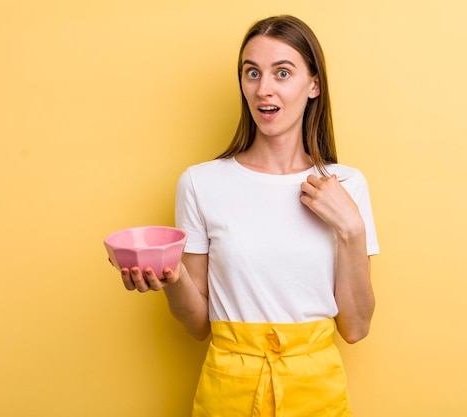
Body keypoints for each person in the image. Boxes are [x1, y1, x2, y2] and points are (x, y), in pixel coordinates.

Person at [120, 14, 379, 417]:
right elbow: (197, 325)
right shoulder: (200, 183)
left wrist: (351, 227)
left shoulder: (346, 186)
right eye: (252, 72)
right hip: (228, 391)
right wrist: (172, 277)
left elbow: (356, 327)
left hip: (316, 394)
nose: (263, 89)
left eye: (282, 73)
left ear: (314, 85)